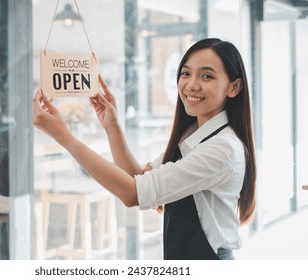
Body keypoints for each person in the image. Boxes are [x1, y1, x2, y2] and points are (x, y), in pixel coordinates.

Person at [32, 38, 256, 260]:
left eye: (206, 76)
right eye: (186, 73)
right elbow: (138, 178)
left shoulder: (222, 148)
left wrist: (64, 137)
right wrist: (112, 126)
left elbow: (132, 193)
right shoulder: (192, 136)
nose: (191, 85)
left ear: (234, 87)